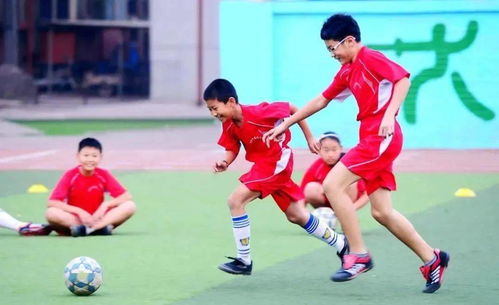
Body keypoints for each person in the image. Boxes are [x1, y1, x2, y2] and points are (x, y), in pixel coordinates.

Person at [263, 14, 449, 293]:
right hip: (371, 138)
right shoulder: (348, 70)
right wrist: (288, 122)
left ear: (349, 41)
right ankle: (432, 259)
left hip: (380, 138)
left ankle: (359, 254)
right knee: (382, 212)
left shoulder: (370, 58)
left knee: (331, 184)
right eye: (328, 49)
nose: (331, 54)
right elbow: (322, 100)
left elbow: (403, 80)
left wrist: (388, 115)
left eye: (333, 47)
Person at [204, 78, 348, 276]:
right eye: (210, 110)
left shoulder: (259, 112)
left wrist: (309, 137)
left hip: (277, 162)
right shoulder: (229, 124)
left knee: (235, 200)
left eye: (215, 108)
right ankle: (342, 244)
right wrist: (225, 162)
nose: (213, 113)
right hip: (266, 167)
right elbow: (232, 147)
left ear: (230, 101)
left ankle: (244, 260)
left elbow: (293, 108)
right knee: (296, 215)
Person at [45, 138, 136, 237]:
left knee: (130, 206)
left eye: (94, 156)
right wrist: (80, 212)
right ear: (78, 156)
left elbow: (126, 196)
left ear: (100, 157)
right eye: (86, 155)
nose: (90, 160)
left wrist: (105, 205)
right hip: (77, 219)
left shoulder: (103, 174)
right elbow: (52, 202)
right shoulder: (70, 175)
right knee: (51, 213)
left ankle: (93, 228)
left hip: (99, 219)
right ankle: (99, 229)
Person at [301, 131, 368, 212]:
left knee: (351, 182)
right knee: (310, 188)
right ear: (319, 150)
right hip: (328, 203)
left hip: (348, 202)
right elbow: (302, 192)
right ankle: (326, 215)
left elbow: (366, 194)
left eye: (334, 149)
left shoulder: (349, 164)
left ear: (341, 149)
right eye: (326, 150)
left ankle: (345, 213)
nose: (330, 154)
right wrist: (302, 214)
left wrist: (352, 208)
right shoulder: (317, 166)